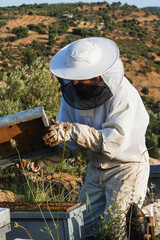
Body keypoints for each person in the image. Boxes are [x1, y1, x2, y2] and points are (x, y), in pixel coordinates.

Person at [23, 37, 159, 238]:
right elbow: (69, 143)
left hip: (127, 168)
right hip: (96, 169)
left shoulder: (124, 96)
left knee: (115, 231)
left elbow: (113, 142)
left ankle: (152, 218)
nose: (75, 82)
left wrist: (71, 131)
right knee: (82, 229)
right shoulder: (73, 93)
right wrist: (39, 161)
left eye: (81, 77)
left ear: (97, 76)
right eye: (72, 77)